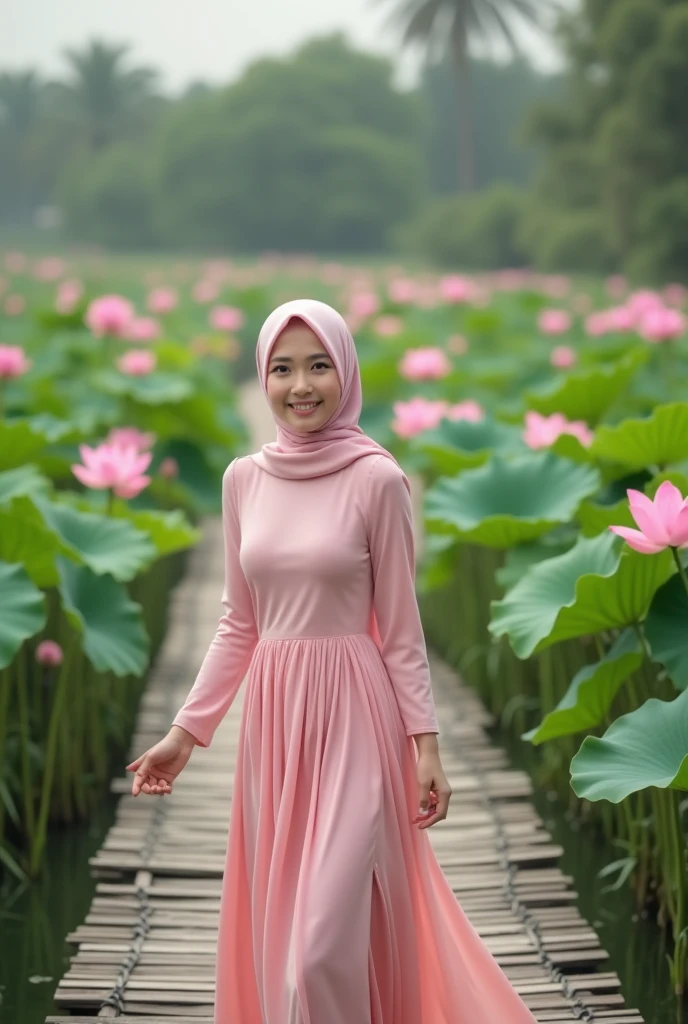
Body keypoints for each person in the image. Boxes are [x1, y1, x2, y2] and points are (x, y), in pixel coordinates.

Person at [126, 298, 538, 1023]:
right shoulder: (241, 481)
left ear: (345, 372)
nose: (301, 386)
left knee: (321, 947)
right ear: (262, 377)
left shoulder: (378, 480)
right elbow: (237, 625)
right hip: (277, 723)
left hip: (357, 715)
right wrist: (185, 734)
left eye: (319, 366)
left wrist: (426, 747)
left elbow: (403, 632)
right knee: (290, 936)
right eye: (281, 369)